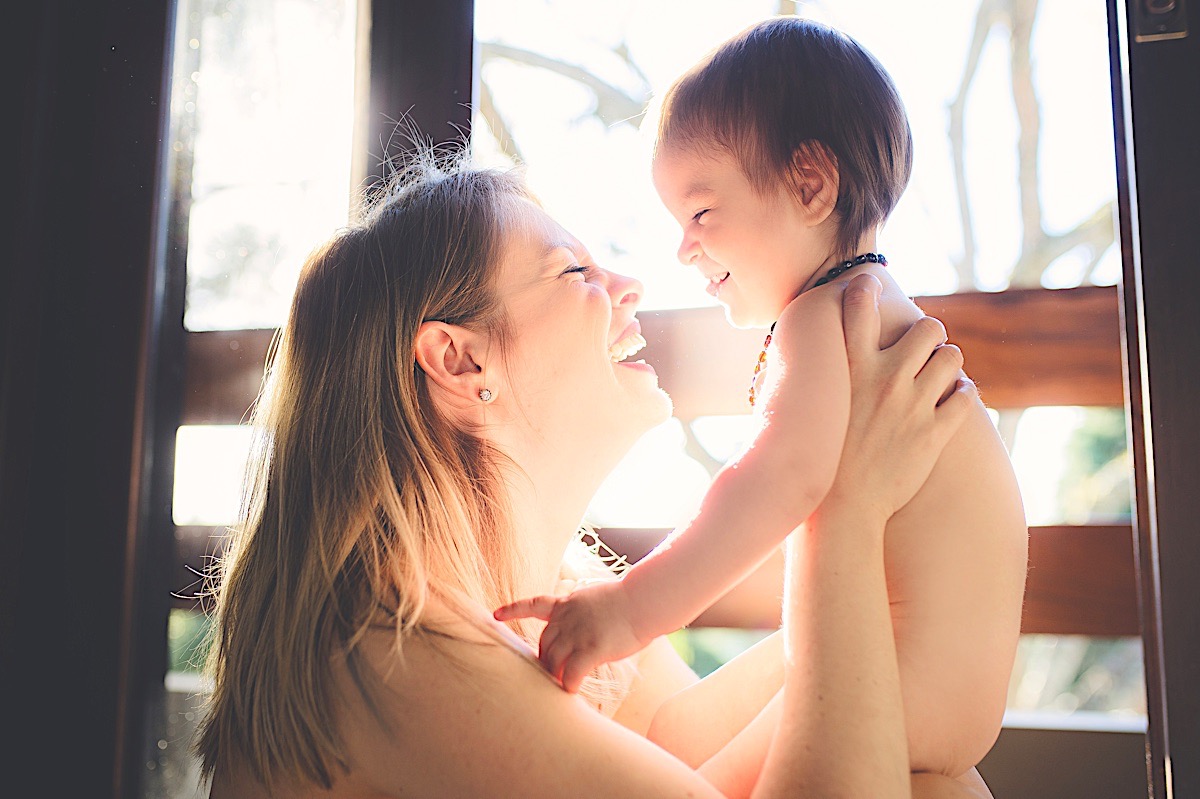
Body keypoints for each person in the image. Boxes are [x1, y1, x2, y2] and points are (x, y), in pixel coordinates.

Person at [196, 154, 991, 797]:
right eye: (573, 271)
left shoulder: (565, 597)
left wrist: (909, 590)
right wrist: (839, 505)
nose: (629, 286)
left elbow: (689, 735)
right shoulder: (391, 644)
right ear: (461, 358)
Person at [497, 16, 1029, 781]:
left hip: (901, 672)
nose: (684, 246)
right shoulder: (874, 305)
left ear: (809, 184)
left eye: (701, 212)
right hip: (949, 677)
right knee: (684, 745)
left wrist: (627, 608)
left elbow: (777, 480)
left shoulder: (825, 318)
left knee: (699, 787)